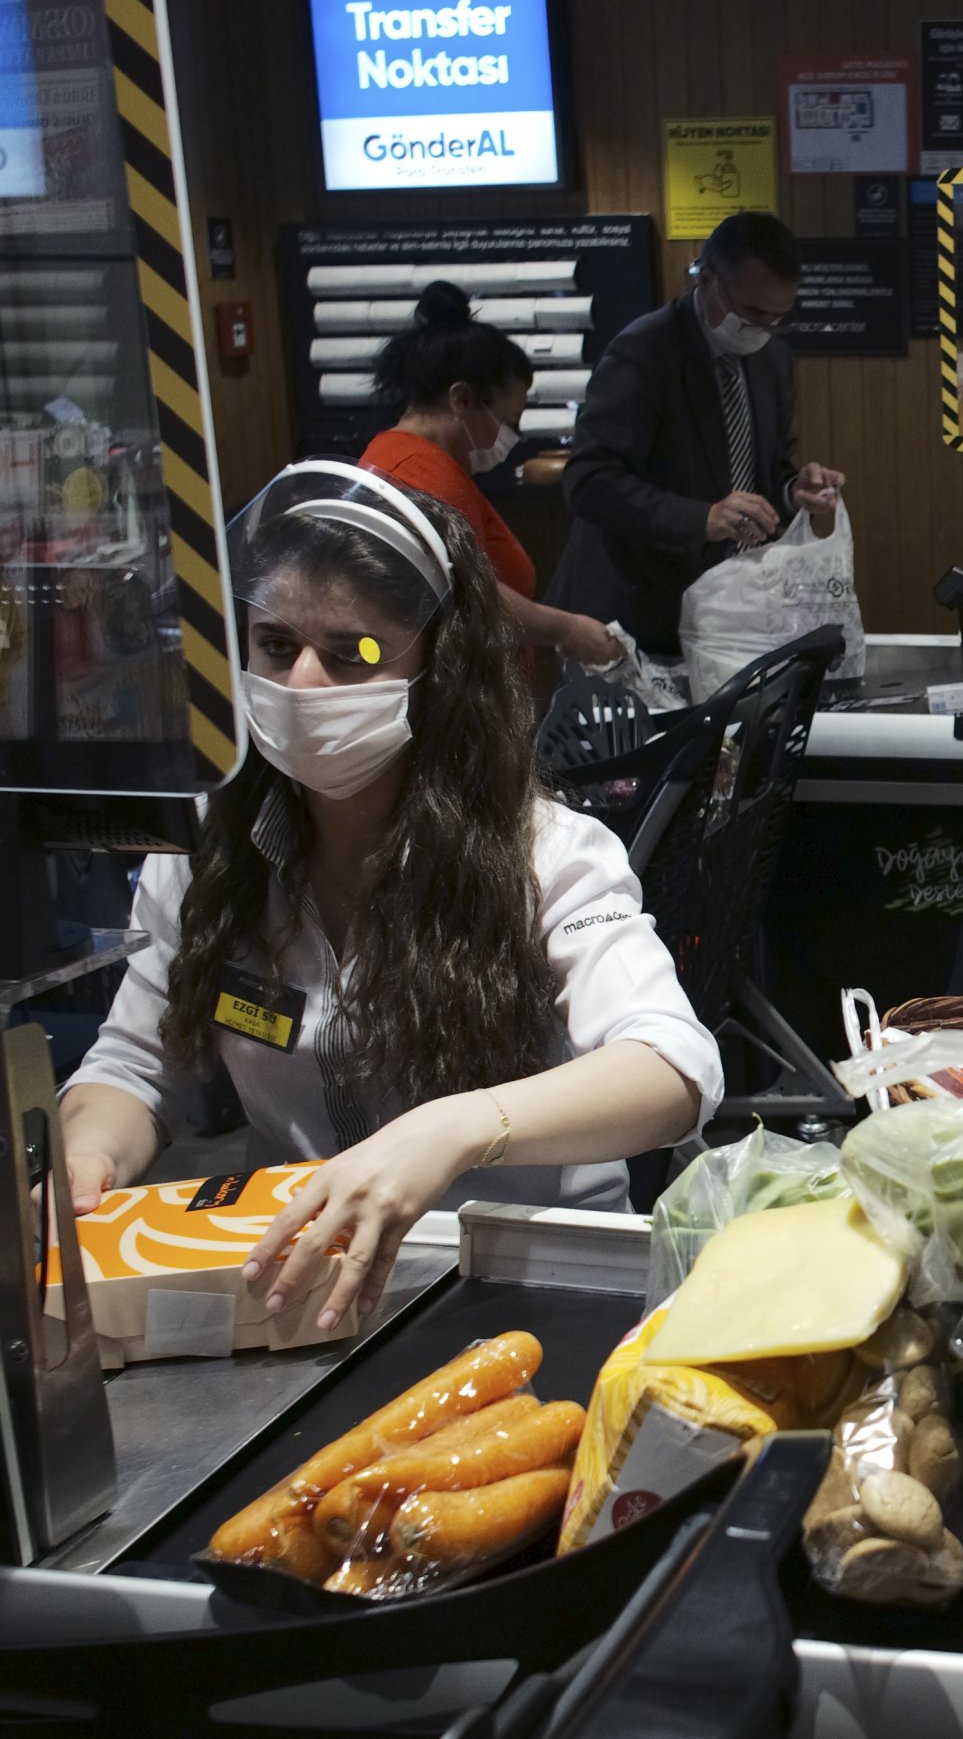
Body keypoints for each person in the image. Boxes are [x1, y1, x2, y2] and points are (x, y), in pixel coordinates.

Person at [59, 462, 720, 1333]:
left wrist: (455, 1129)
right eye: (275, 645)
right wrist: (88, 1155)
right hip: (297, 1294)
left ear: (435, 673)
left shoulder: (545, 853)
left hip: (524, 1283)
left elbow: (672, 1066)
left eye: (353, 653)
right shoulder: (205, 857)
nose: (302, 683)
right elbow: (135, 1068)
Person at [548, 211, 846, 660]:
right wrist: (701, 517)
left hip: (729, 609)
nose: (764, 328)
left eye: (779, 317)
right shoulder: (644, 352)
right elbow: (589, 482)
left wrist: (792, 491)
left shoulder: (772, 360)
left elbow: (759, 474)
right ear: (707, 280)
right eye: (752, 313)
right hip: (634, 613)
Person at [358, 281, 619, 666]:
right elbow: (468, 596)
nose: (510, 435)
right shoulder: (414, 469)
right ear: (461, 399)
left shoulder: (427, 462)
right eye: (508, 421)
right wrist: (567, 629)